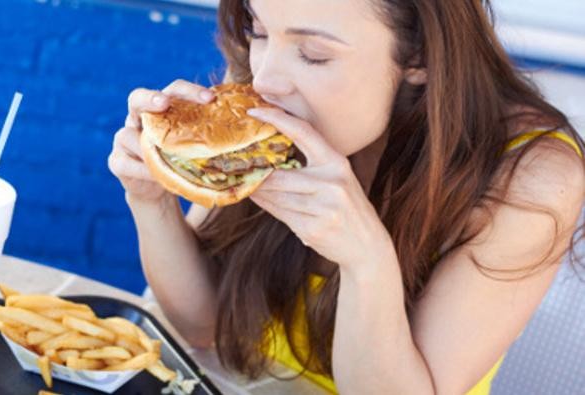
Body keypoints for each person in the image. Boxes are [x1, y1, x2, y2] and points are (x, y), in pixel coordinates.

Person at [108, 0, 585, 393]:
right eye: (258, 31)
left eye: (314, 54)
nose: (265, 82)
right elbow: (203, 328)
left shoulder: (532, 177)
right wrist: (151, 200)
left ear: (420, 55)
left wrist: (365, 261)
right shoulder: (264, 90)